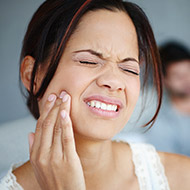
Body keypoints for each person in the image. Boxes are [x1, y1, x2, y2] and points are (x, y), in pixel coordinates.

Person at [0, 0, 190, 189]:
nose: (114, 81)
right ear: (32, 75)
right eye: (88, 61)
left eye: (129, 69)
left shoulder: (181, 177)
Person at [143, 41, 190, 156]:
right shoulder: (161, 123)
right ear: (163, 80)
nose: (187, 80)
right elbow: (171, 166)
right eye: (178, 76)